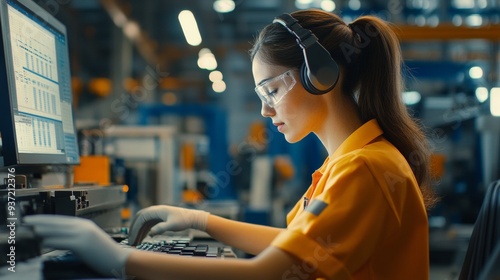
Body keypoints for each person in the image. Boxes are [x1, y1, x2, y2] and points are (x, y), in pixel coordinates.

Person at [25, 9, 437, 280]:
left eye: (271, 90)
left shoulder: (364, 168)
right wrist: (199, 220)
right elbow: (291, 245)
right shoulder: (351, 163)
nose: (264, 110)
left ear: (321, 75)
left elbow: (268, 273)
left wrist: (118, 260)